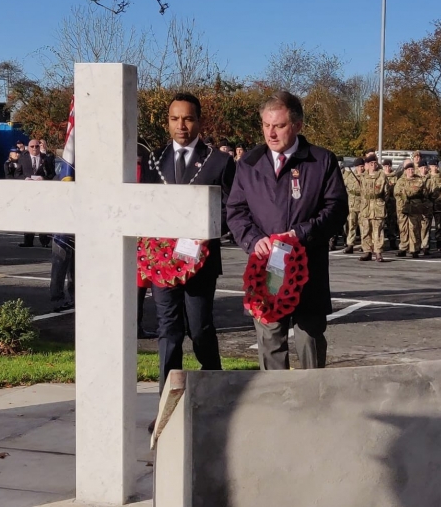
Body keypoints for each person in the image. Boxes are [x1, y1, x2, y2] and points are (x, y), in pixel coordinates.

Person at [227, 90, 348, 370]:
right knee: (270, 339)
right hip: (266, 270)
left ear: (297, 125)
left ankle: (313, 404)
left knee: (309, 340)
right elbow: (235, 211)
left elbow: (336, 209)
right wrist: (253, 239)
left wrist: (302, 234)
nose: (271, 133)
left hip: (308, 270)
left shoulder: (321, 161)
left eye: (279, 125)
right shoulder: (249, 163)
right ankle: (277, 407)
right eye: (266, 125)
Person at [140, 92, 236, 394]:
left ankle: (215, 390)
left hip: (200, 262)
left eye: (188, 118)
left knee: (199, 329)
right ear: (167, 122)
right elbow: (145, 204)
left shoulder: (219, 161)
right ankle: (167, 399)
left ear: (199, 121)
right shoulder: (154, 160)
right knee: (168, 331)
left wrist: (200, 231)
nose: (181, 125)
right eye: (174, 119)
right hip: (162, 263)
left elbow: (230, 207)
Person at [16, 139, 55, 247]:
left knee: (43, 216)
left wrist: (43, 178)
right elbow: (17, 174)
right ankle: (28, 241)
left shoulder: (46, 159)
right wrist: (25, 179)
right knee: (29, 216)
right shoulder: (23, 159)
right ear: (28, 148)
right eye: (32, 146)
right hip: (28, 193)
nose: (34, 148)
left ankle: (45, 241)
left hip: (42, 193)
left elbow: (52, 174)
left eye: (37, 146)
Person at [358, 152, 388, 262]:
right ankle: (367, 251)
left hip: (377, 205)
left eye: (375, 163)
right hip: (366, 206)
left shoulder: (382, 175)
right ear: (367, 164)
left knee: (378, 231)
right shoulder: (363, 176)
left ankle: (378, 252)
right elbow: (362, 192)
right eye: (371, 163)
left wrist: (380, 202)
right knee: (366, 230)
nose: (373, 165)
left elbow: (386, 193)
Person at [395, 159, 426, 258]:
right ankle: (403, 247)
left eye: (412, 169)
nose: (410, 171)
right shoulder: (401, 180)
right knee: (403, 228)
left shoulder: (419, 180)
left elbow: (418, 190)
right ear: (405, 170)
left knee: (414, 228)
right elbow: (396, 193)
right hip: (403, 207)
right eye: (408, 170)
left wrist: (405, 192)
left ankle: (414, 249)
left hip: (415, 206)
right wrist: (404, 196)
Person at [342, 157, 364, 254]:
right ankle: (350, 244)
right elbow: (343, 187)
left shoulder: (366, 177)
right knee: (351, 225)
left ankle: (365, 245)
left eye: (362, 166)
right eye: (359, 166)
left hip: (364, 205)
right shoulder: (350, 177)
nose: (361, 168)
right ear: (356, 167)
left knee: (364, 226)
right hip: (352, 204)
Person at [425, 158, 441, 254]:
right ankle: (426, 245)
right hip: (428, 204)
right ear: (430, 167)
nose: (434, 168)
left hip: (438, 204)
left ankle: (439, 244)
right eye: (433, 166)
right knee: (427, 225)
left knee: (439, 225)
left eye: (436, 166)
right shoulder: (426, 177)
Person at [382, 158, 399, 251]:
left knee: (391, 223)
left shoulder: (394, 176)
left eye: (388, 166)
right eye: (385, 166)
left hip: (391, 202)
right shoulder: (380, 176)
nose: (387, 168)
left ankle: (392, 241)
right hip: (382, 202)